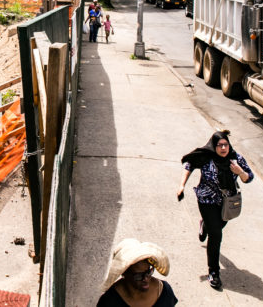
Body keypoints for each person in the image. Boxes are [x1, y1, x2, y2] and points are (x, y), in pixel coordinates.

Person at [176, 130, 253, 290]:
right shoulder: (206, 157)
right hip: (207, 200)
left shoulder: (235, 159)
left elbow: (249, 178)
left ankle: (205, 225)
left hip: (226, 203)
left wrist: (240, 172)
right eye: (219, 145)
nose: (223, 148)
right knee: (216, 234)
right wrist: (181, 185)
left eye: (225, 144)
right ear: (214, 146)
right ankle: (214, 272)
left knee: (216, 228)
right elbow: (189, 165)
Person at [97, 238, 178, 306]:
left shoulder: (164, 292)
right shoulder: (109, 302)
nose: (146, 279)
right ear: (124, 273)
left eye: (148, 272)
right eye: (139, 276)